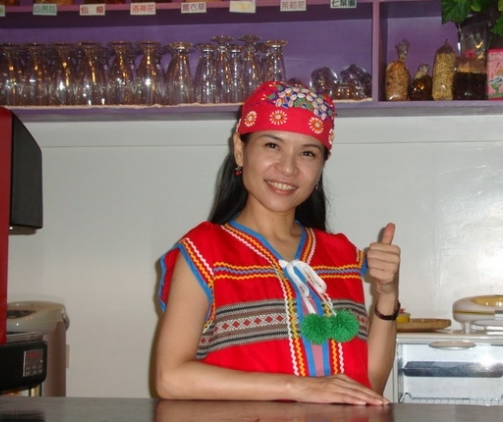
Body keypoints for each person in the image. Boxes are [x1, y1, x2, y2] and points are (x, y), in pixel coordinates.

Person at [154, 81, 401, 405]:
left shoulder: (342, 256)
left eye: (307, 153)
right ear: (240, 149)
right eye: (272, 145)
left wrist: (387, 295)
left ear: (321, 166)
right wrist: (299, 388)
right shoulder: (204, 252)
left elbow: (369, 387)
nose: (288, 168)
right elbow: (170, 378)